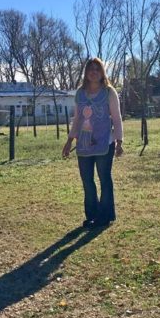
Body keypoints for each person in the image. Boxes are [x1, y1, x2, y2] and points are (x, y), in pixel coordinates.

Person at [62, 58, 124, 228]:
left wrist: (119, 141)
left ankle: (105, 216)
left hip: (105, 143)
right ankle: (92, 215)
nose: (94, 72)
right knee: (87, 181)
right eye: (91, 69)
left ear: (102, 72)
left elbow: (117, 118)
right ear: (86, 72)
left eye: (97, 69)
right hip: (83, 144)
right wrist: (69, 141)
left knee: (104, 178)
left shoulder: (109, 92)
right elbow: (77, 120)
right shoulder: (80, 93)